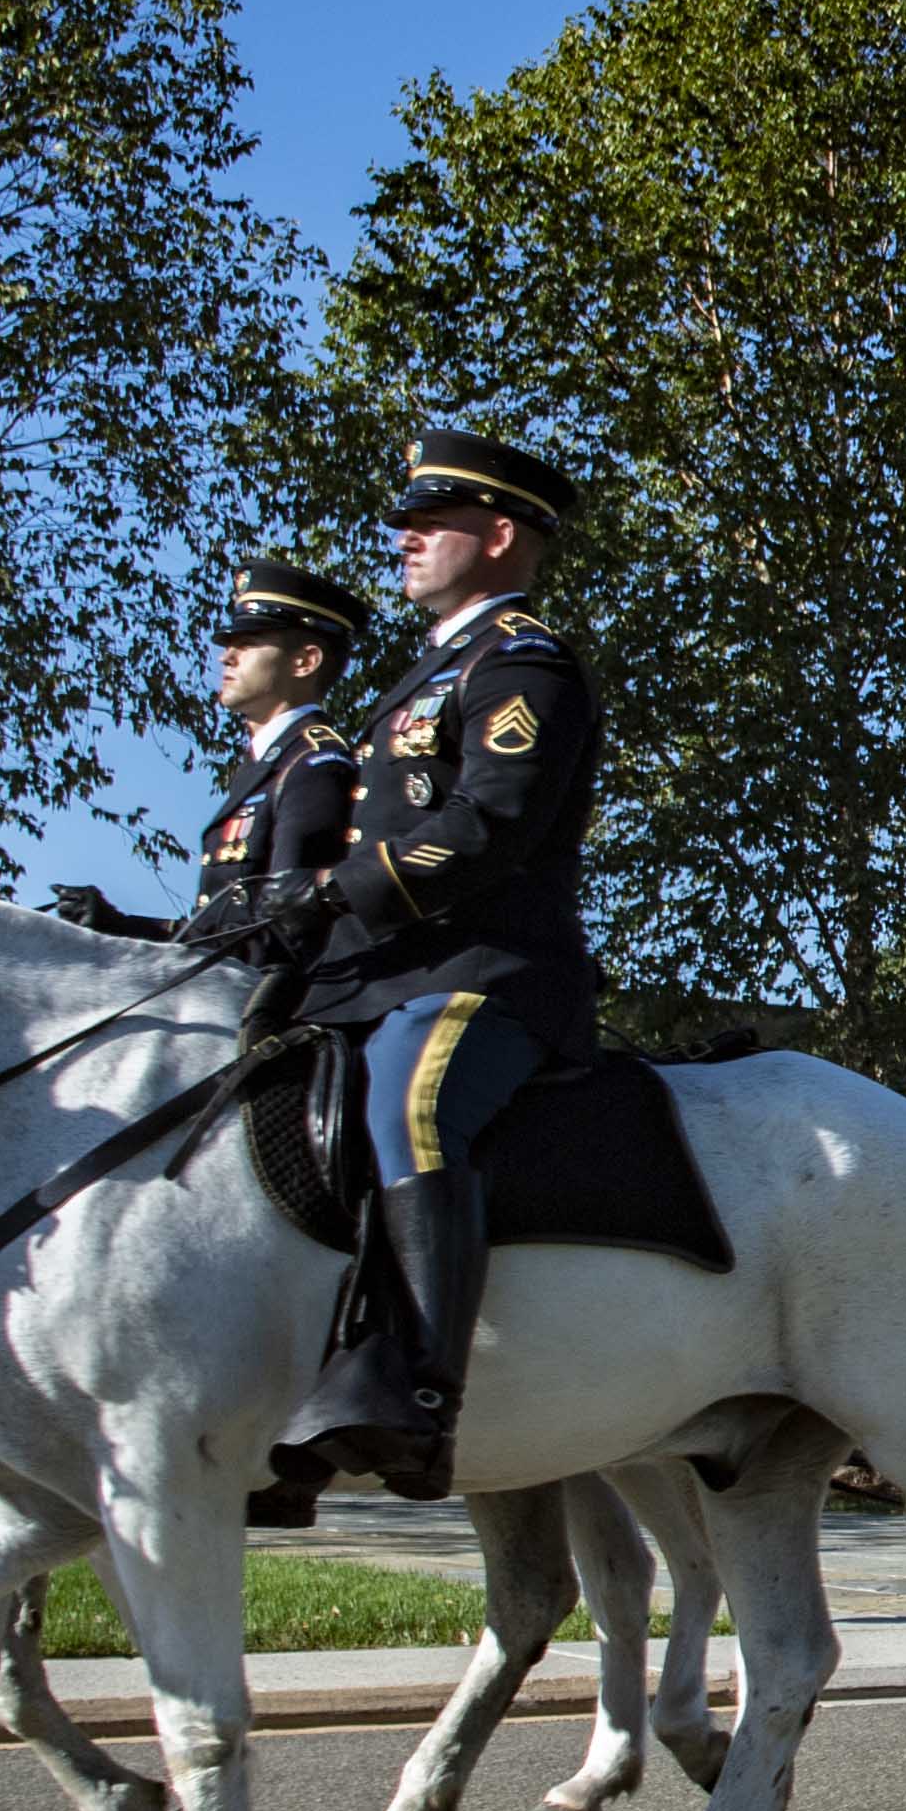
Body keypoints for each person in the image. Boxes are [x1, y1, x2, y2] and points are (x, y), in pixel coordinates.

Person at [259, 430, 606, 1508]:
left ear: (497, 534)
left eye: (432, 521)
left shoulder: (521, 661)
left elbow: (490, 822)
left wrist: (345, 890)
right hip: (381, 972)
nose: (404, 538)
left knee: (416, 1095)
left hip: (489, 971)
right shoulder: (432, 670)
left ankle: (418, 1390)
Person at [53, 562, 368, 945]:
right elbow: (219, 930)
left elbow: (289, 930)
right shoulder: (268, 765)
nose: (226, 657)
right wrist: (119, 925)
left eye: (248, 644)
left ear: (305, 661)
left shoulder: (314, 766)